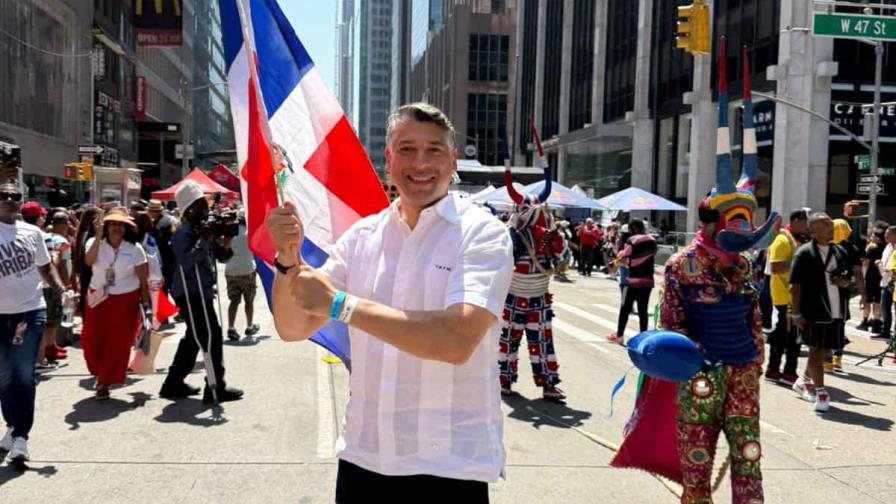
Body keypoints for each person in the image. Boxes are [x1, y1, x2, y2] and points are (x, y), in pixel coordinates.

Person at [267, 103, 512, 501]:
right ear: (388, 159)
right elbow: (293, 327)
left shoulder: (481, 234)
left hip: (449, 464)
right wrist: (286, 259)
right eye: (407, 149)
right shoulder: (362, 237)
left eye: (433, 150)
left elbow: (455, 340)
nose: (420, 163)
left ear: (452, 161)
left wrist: (342, 306)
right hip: (364, 456)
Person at [612, 52, 775, 502]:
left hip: (743, 374)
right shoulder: (682, 264)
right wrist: (693, 360)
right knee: (696, 462)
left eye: (746, 220)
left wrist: (754, 362)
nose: (742, 229)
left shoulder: (745, 264)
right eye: (734, 220)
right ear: (712, 221)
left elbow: (754, 317)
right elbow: (671, 322)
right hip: (701, 374)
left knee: (749, 456)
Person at [159, 181, 241, 403]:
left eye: (205, 203)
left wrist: (225, 240)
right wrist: (204, 240)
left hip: (201, 291)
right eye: (200, 205)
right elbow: (187, 261)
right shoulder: (182, 233)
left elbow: (222, 257)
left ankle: (173, 383)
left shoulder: (203, 229)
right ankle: (215, 387)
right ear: (189, 209)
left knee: (194, 337)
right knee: (210, 336)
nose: (205, 208)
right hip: (190, 292)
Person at [0, 182, 63, 464]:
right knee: (4, 376)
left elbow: (46, 266)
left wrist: (60, 288)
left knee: (24, 373)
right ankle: (12, 427)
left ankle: (21, 437)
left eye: (15, 196)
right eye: (4, 195)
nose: (9, 199)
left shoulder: (33, 232)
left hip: (29, 312)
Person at [499, 144, 566, 401]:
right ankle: (504, 380)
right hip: (515, 295)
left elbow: (559, 258)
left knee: (541, 340)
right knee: (509, 338)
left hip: (537, 295)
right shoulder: (511, 236)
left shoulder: (546, 236)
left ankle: (547, 383)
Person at [81, 207, 151, 400]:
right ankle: (100, 372)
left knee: (117, 344)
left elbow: (143, 279)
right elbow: (88, 261)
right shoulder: (94, 242)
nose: (117, 228)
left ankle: (104, 382)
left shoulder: (134, 249)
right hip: (97, 299)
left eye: (121, 224)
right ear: (106, 226)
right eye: (112, 224)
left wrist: (147, 307)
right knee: (91, 342)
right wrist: (98, 236)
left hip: (125, 300)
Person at [790, 213, 852, 413]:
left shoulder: (840, 251)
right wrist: (796, 312)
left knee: (824, 351)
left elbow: (847, 277)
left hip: (836, 310)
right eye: (825, 224)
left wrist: (844, 282)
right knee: (816, 350)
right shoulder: (804, 253)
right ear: (812, 230)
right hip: (814, 310)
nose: (830, 227)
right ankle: (821, 393)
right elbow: (795, 285)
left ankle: (804, 380)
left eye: (830, 223)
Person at [764, 208, 809, 386]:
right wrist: (799, 264)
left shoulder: (798, 239)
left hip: (794, 296)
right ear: (796, 221)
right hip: (784, 297)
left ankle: (784, 370)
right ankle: (779, 370)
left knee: (791, 338)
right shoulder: (782, 239)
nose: (807, 226)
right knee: (784, 337)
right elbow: (775, 267)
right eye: (805, 222)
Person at [607, 220, 656, 345]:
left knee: (625, 308)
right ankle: (643, 337)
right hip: (648, 281)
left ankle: (619, 336)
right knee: (643, 310)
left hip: (632, 281)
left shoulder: (631, 240)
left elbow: (623, 258)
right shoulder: (652, 240)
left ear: (632, 228)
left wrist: (616, 261)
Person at [38, 211, 73, 368]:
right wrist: (67, 285)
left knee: (49, 318)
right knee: (52, 319)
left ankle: (51, 346)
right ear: (64, 224)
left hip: (44, 282)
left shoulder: (46, 236)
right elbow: (62, 264)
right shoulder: (62, 242)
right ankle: (49, 348)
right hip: (55, 283)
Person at [225, 210, 259, 341]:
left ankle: (231, 327)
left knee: (233, 301)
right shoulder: (250, 233)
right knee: (249, 301)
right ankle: (249, 325)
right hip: (247, 269)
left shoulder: (230, 232)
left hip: (231, 269)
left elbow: (224, 247)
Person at [146, 199, 178, 297]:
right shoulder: (167, 220)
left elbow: (158, 243)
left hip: (163, 261)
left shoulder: (159, 225)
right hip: (169, 260)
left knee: (164, 289)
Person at [860, 226, 886, 333]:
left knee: (867, 300)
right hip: (882, 278)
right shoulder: (887, 248)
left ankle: (865, 322)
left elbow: (865, 264)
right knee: (878, 301)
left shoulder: (872, 249)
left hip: (870, 278)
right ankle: (877, 323)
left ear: (878, 238)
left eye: (873, 236)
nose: (871, 237)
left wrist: (863, 277)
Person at [875, 226, 896, 341]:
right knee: (884, 307)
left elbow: (889, 269)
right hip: (885, 281)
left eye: (888, 234)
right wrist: (881, 266)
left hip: (893, 282)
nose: (885, 236)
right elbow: (884, 265)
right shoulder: (888, 247)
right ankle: (885, 331)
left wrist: (880, 265)